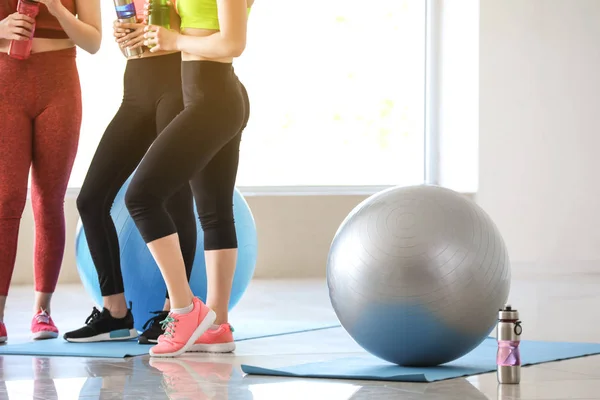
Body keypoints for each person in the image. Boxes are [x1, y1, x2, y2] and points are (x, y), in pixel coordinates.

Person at [121, 0, 253, 357]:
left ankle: (184, 310)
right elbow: (182, 29)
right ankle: (217, 324)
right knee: (214, 212)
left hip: (215, 98)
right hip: (203, 93)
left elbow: (232, 44)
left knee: (142, 198)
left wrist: (175, 40)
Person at [63, 0, 198, 344]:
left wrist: (161, 32)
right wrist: (125, 37)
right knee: (91, 199)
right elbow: (131, 46)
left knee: (176, 197)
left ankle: (175, 313)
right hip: (136, 89)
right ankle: (116, 313)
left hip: (177, 82)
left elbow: (198, 29)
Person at [0, 0, 101, 342]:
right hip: (5, 81)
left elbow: (93, 41)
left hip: (59, 83)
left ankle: (42, 311)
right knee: (6, 201)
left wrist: (57, 9)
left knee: (49, 200)